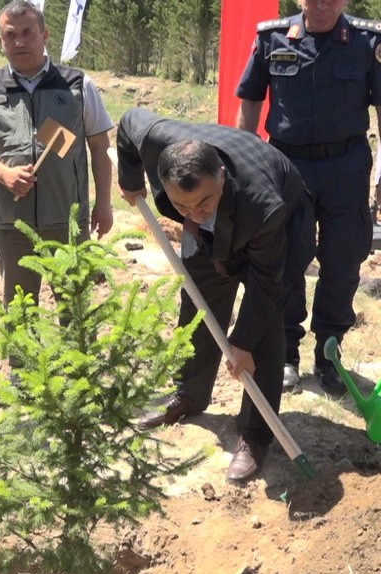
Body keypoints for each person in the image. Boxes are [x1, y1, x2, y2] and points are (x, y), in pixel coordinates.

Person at [236, 0, 381, 395]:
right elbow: (250, 99)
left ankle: (329, 350)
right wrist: (243, 158)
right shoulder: (273, 38)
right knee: (287, 258)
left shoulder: (368, 44)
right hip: (287, 166)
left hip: (347, 165)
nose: (321, 4)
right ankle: (286, 351)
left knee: (343, 261)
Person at [117, 108, 313, 483]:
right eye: (181, 205)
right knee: (198, 305)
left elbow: (266, 285)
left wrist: (242, 342)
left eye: (203, 203)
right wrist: (130, 180)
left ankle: (256, 436)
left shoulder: (263, 209)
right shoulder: (157, 139)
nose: (193, 212)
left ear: (220, 177)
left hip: (283, 231)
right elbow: (126, 124)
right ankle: (191, 393)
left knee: (264, 331)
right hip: (226, 225)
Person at [0, 0, 114, 307]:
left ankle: (74, 357)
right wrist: (4, 174)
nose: (19, 41)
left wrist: (104, 204)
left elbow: (98, 144)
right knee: (19, 308)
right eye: (10, 35)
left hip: (68, 220)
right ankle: (19, 359)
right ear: (1, 41)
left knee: (75, 306)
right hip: (12, 222)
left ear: (45, 34)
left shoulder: (77, 84)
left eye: (28, 32)